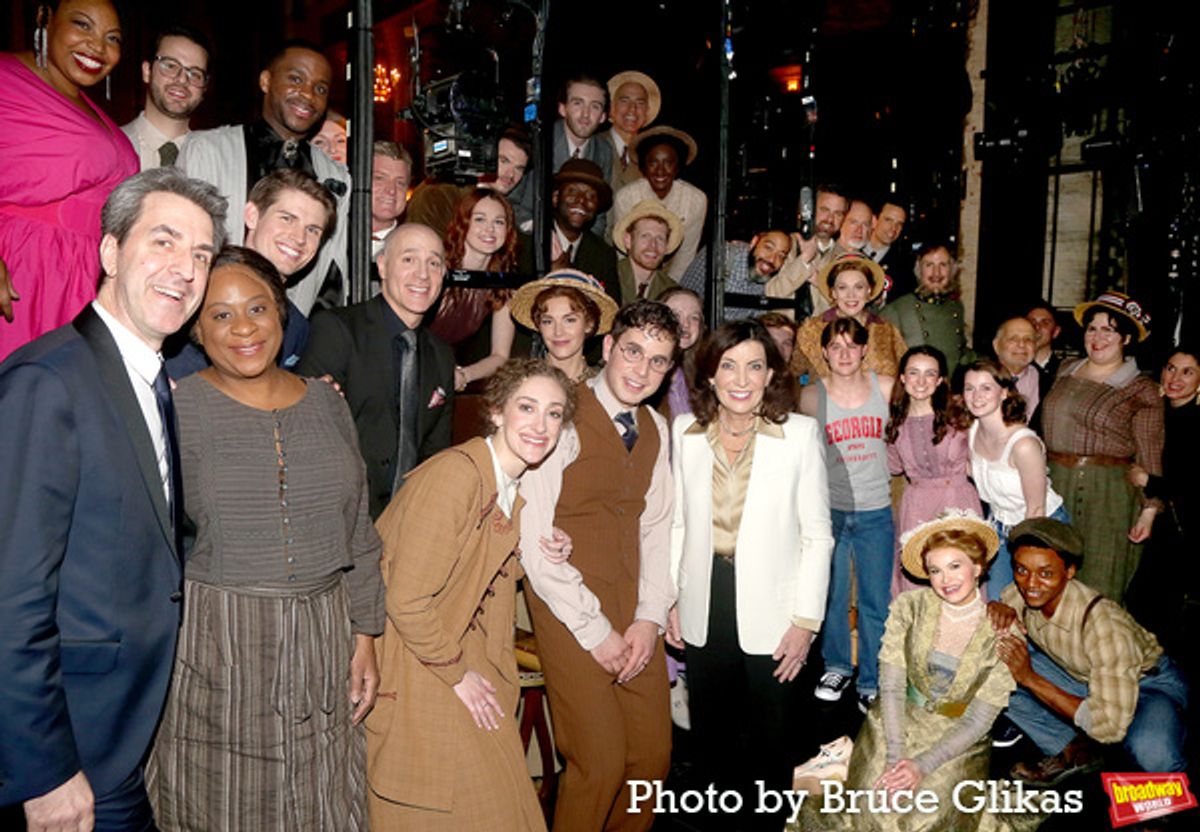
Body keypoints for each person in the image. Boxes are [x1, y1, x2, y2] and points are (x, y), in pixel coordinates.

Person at [0, 167, 225, 830]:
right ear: (108, 251)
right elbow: (11, 595)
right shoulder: (46, 383)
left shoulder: (160, 376)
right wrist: (43, 772)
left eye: (201, 255)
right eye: (163, 242)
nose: (183, 270)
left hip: (120, 736)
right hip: (69, 752)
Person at [147, 247, 384, 830]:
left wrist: (366, 633)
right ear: (196, 329)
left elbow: (358, 529)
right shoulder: (174, 410)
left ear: (281, 314)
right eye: (221, 315)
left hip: (327, 639)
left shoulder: (328, 402)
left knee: (324, 802)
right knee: (224, 804)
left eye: (256, 308)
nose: (244, 327)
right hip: (221, 645)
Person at [363, 359, 573, 830]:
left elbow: (475, 570)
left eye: (554, 414)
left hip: (455, 654)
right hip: (422, 664)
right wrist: (458, 673)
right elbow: (406, 599)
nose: (541, 426)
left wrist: (548, 550)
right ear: (496, 411)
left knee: (505, 807)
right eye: (527, 407)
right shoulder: (456, 477)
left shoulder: (507, 486)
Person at [519, 300, 680, 832]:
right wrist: (595, 631)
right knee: (601, 763)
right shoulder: (560, 413)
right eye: (633, 352)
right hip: (568, 605)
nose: (642, 370)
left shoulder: (657, 427)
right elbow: (536, 541)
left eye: (658, 361)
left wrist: (650, 617)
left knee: (651, 760)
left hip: (633, 606)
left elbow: (658, 529)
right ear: (607, 347)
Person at [667, 321, 833, 830]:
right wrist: (673, 597)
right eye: (729, 365)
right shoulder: (685, 432)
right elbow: (678, 522)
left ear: (769, 376)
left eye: (754, 366)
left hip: (776, 609)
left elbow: (818, 536)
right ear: (710, 375)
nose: (741, 379)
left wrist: (805, 622)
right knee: (711, 739)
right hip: (704, 599)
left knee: (771, 740)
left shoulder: (800, 435)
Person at [795, 512, 1035, 832]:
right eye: (935, 570)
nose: (945, 579)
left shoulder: (1005, 632)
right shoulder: (908, 607)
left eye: (955, 566)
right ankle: (842, 766)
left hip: (957, 736)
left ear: (978, 567)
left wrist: (921, 767)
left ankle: (841, 765)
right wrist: (896, 759)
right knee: (873, 812)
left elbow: (980, 719)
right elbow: (891, 687)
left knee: (930, 819)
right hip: (896, 722)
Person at [991, 517, 1188, 782]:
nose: (1030, 584)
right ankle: (1073, 749)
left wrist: (1030, 678)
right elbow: (1007, 607)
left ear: (1070, 571)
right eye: (1021, 570)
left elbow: (1109, 728)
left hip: (1148, 687)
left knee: (1152, 753)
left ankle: (1164, 800)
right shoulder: (1018, 594)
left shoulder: (1104, 625)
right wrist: (995, 610)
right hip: (1086, 679)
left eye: (1046, 573)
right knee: (993, 668)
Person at [1, 0, 139, 362]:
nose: (98, 47)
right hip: (24, 277)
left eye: (113, 38)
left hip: (82, 284)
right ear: (44, 17)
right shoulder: (6, 79)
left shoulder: (93, 109)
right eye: (83, 25)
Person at [296, 223, 455, 519]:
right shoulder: (337, 329)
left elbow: (436, 455)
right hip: (339, 518)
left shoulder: (441, 356)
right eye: (409, 259)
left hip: (409, 521)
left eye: (434, 263)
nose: (423, 274)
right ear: (382, 266)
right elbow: (305, 438)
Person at [180, 41, 350, 314]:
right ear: (266, 81)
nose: (307, 94)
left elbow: (334, 274)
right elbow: (182, 247)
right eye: (296, 79)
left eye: (320, 88)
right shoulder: (208, 151)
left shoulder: (336, 176)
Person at [1039, 292, 1163, 602]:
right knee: (1050, 577)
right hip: (1055, 482)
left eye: (1108, 329)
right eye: (1092, 328)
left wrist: (1149, 512)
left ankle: (1099, 648)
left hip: (1107, 494)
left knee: (1098, 584)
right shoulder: (1065, 369)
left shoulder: (1140, 388)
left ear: (1127, 337)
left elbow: (1150, 453)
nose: (1097, 337)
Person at [799, 317, 895, 712]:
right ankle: (837, 665)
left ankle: (871, 678)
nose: (843, 354)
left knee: (875, 601)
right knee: (834, 596)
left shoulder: (885, 388)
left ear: (863, 350)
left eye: (851, 346)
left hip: (876, 511)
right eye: (835, 346)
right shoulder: (811, 397)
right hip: (832, 510)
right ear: (823, 351)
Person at [164, 168, 337, 377]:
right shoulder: (195, 293)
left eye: (312, 230)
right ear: (252, 216)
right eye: (287, 218)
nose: (300, 238)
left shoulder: (297, 325)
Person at [963, 357, 1067, 601]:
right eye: (970, 388)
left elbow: (1036, 509)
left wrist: (1025, 558)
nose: (976, 396)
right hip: (1001, 526)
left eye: (986, 388)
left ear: (1004, 393)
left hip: (1041, 529)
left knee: (1034, 607)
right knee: (999, 604)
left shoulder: (1023, 444)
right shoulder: (973, 431)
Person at [1124, 346, 1200, 661]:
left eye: (1187, 372)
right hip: (1157, 517)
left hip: (1181, 527)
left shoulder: (1194, 420)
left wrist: (1149, 482)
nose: (1175, 378)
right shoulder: (1154, 413)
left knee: (1153, 603)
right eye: (1171, 368)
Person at [886, 346, 980, 595]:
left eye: (930, 374)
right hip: (917, 507)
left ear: (940, 380)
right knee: (917, 583)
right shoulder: (896, 420)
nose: (921, 381)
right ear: (903, 378)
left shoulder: (960, 416)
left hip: (958, 502)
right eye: (913, 373)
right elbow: (894, 465)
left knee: (961, 578)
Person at [429, 188, 520, 390]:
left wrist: (464, 375)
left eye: (498, 222)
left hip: (445, 372)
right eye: (479, 219)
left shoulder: (503, 283)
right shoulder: (435, 266)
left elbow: (500, 356)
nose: (490, 229)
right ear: (463, 222)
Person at [611, 126, 707, 281]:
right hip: (632, 271)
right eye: (653, 163)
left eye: (668, 162)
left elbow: (686, 254)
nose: (660, 171)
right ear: (643, 166)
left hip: (672, 274)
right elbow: (622, 249)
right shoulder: (626, 197)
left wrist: (667, 289)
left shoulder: (695, 200)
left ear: (678, 166)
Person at [791, 253, 908, 380]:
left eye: (858, 287)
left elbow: (905, 373)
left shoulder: (887, 331)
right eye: (842, 288)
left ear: (869, 291)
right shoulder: (810, 331)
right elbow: (790, 373)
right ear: (833, 292)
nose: (851, 295)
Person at [517, 158, 619, 299]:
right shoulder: (528, 242)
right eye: (573, 192)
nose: (582, 201)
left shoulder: (603, 255)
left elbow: (611, 311)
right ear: (555, 198)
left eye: (591, 196)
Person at [408, 126, 531, 235]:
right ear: (483, 153)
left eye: (519, 169)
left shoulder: (510, 211)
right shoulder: (438, 193)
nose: (510, 175)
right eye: (504, 161)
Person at [121, 25, 210, 171]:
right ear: (147, 71)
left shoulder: (215, 161)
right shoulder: (109, 145)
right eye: (170, 66)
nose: (182, 79)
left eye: (195, 74)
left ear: (204, 87)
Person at [509, 268, 619, 384]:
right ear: (538, 326)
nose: (558, 332)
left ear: (589, 324)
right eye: (548, 321)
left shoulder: (605, 386)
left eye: (569, 320)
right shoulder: (521, 383)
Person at [879, 242, 969, 377]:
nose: (936, 273)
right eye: (929, 265)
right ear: (918, 269)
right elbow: (882, 363)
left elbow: (961, 355)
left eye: (943, 265)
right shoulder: (896, 310)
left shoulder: (955, 307)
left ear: (952, 269)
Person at [762, 184, 850, 319]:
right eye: (825, 210)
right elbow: (770, 293)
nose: (830, 219)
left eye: (838, 214)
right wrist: (803, 262)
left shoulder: (845, 259)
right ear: (809, 210)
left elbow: (848, 309)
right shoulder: (786, 245)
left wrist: (822, 283)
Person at [680, 229, 795, 321]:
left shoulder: (768, 279)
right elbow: (684, 293)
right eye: (768, 248)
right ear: (754, 242)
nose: (772, 259)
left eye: (781, 256)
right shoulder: (722, 255)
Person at [613, 200, 684, 305]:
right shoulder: (610, 277)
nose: (653, 246)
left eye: (660, 238)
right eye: (645, 236)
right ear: (628, 240)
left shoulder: (671, 292)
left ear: (667, 246)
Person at [606, 70, 661, 191]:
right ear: (612, 107)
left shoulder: (651, 155)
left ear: (647, 111)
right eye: (624, 101)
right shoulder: (592, 144)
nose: (632, 109)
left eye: (640, 103)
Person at [659, 287, 705, 422]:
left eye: (694, 318)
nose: (685, 324)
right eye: (675, 315)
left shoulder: (702, 378)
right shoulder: (642, 374)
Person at [992, 317, 1041, 419]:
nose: (1022, 345)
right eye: (1013, 339)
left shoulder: (1049, 383)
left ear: (1035, 346)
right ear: (996, 345)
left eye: (1028, 340)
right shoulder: (979, 378)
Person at [370, 141, 413, 258]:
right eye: (380, 178)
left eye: (400, 183)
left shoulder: (415, 249)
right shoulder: (334, 240)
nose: (391, 190)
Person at [1025, 299, 1062, 402]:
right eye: (1031, 322)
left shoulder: (1064, 372)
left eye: (1045, 323)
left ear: (1056, 332)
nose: (1037, 327)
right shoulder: (1009, 369)